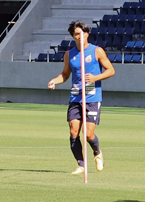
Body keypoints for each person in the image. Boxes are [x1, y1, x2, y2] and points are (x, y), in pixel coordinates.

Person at [47, 20, 115, 175]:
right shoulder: (69, 54)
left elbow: (111, 70)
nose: (80, 36)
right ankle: (81, 164)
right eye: (76, 34)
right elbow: (65, 74)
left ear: (87, 34)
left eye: (82, 33)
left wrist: (95, 77)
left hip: (92, 97)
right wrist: (54, 81)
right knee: (73, 132)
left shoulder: (96, 51)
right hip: (76, 97)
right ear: (73, 36)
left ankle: (97, 153)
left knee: (89, 134)